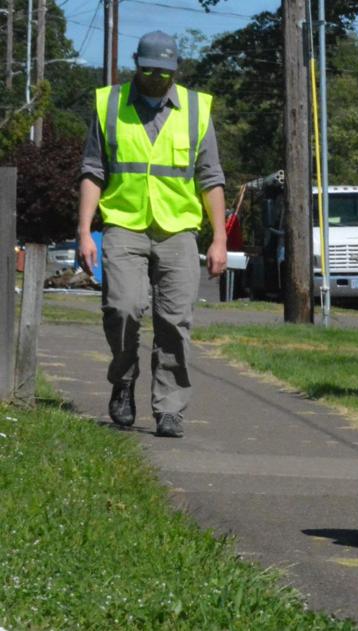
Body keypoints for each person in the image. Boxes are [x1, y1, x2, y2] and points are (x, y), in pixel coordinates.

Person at [77, 31, 227, 438]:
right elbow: (93, 170)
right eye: (150, 72)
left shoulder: (197, 109)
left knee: (174, 321)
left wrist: (219, 239)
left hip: (178, 229)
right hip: (124, 223)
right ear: (135, 65)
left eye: (165, 74)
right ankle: (123, 381)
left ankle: (170, 407)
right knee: (122, 308)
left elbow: (211, 177)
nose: (158, 80)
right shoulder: (108, 104)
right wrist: (85, 231)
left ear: (175, 71)